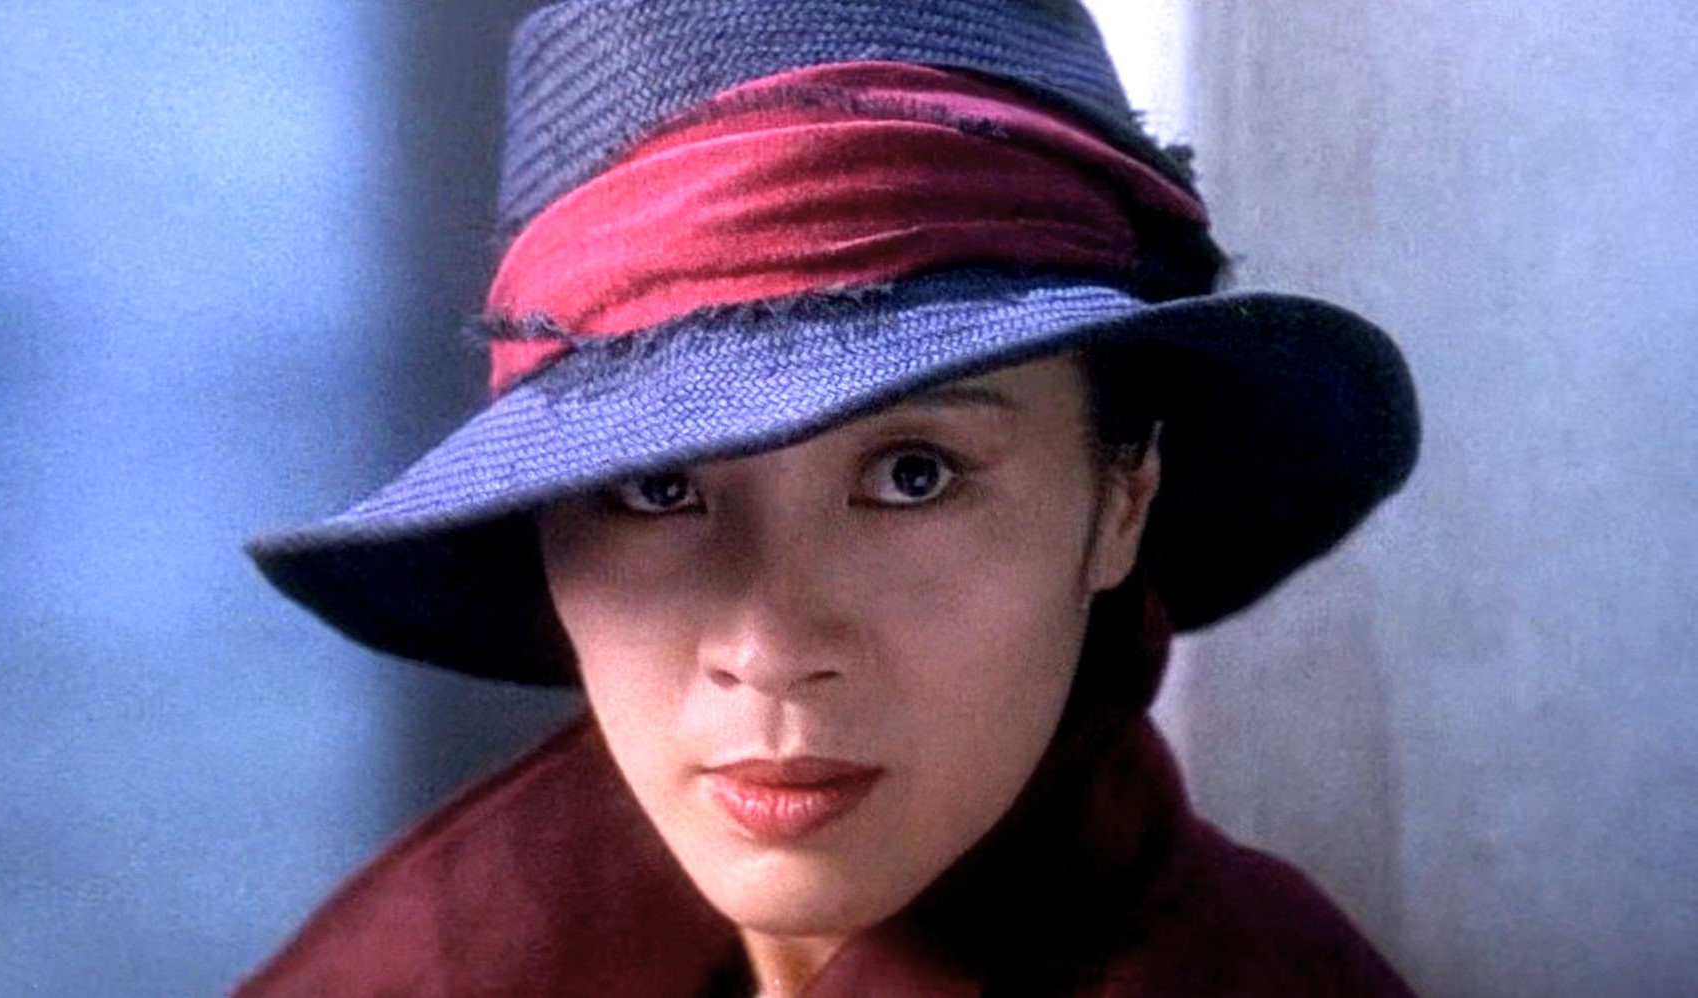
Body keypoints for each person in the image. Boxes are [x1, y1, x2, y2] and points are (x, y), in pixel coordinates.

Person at [239, 0, 1421, 994]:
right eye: (657, 485)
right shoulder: (438, 960)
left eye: (913, 473)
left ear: (1121, 498)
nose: (769, 650)